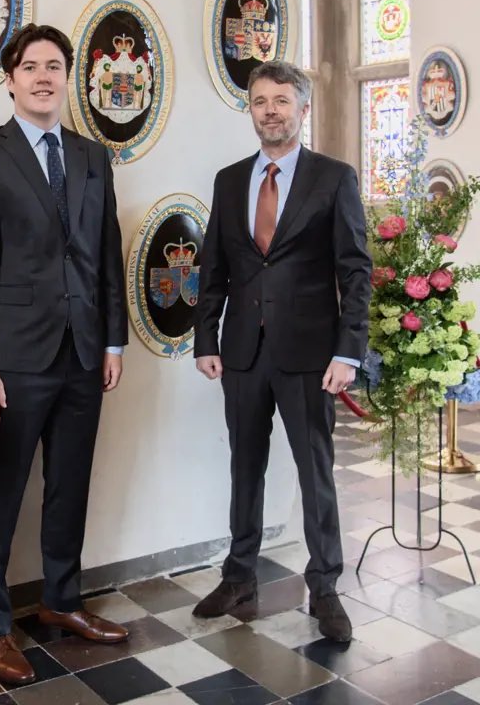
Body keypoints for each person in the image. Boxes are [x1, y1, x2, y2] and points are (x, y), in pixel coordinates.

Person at [0, 23, 129, 685]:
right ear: (11, 77)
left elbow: (106, 252)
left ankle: (61, 601)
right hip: (15, 361)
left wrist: (113, 339)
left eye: (56, 65)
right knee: (2, 492)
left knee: (70, 485)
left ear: (68, 77)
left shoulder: (91, 156)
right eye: (32, 66)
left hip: (84, 352)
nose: (44, 76)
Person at [193, 60, 371, 642]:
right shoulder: (228, 180)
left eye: (281, 101)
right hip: (242, 352)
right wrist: (205, 338)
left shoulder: (333, 178)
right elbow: (213, 268)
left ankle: (324, 588)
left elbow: (355, 271)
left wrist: (349, 351)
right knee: (244, 468)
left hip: (311, 356)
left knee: (314, 472)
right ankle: (239, 573)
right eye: (260, 101)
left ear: (302, 108)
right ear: (251, 110)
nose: (270, 110)